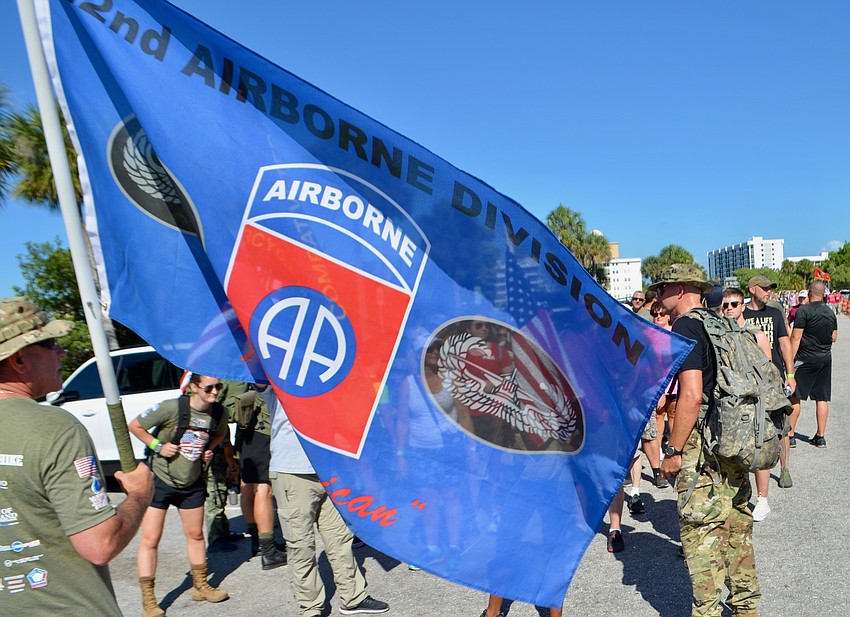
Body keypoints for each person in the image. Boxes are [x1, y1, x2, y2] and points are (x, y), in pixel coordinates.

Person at [0, 297, 154, 615]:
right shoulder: (53, 427)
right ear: (18, 360)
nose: (62, 352)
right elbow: (99, 545)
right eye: (51, 343)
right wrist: (139, 495)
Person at [653, 265, 760, 617]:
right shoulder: (723, 323)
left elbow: (692, 395)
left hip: (702, 445)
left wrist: (673, 450)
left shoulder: (685, 327)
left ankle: (708, 611)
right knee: (737, 524)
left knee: (700, 531)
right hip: (735, 438)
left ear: (681, 289)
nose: (658, 296)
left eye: (663, 289)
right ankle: (746, 607)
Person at [260, 386, 390, 616]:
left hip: (330, 468)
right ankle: (311, 608)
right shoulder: (276, 369)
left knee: (340, 539)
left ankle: (353, 597)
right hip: (293, 470)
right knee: (300, 544)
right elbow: (257, 373)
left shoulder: (325, 373)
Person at [128, 374, 230, 617]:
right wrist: (157, 446)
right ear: (193, 388)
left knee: (195, 535)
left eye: (218, 386)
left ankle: (200, 585)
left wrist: (209, 450)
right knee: (151, 539)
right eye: (209, 387)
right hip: (160, 480)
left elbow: (219, 435)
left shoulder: (219, 413)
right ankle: (149, 601)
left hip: (192, 481)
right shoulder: (172, 407)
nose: (215, 392)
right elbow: (135, 425)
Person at [721, 288, 776, 522]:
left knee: (760, 450)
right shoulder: (720, 335)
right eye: (725, 305)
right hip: (731, 404)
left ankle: (763, 500)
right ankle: (738, 498)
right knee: (733, 452)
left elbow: (769, 370)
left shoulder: (756, 334)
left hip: (756, 403)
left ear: (743, 306)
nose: (729, 308)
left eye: (734, 304)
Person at [219, 380, 287, 569]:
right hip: (263, 430)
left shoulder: (234, 366)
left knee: (247, 485)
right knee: (263, 489)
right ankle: (269, 551)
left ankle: (257, 543)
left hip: (247, 431)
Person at [744, 275, 795, 495]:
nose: (769, 292)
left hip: (774, 378)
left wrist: (790, 374)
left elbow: (785, 344)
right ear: (752, 289)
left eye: (770, 289)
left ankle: (784, 468)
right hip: (749, 381)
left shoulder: (775, 313)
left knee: (781, 426)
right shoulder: (741, 314)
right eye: (765, 288)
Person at [789, 282, 838, 448]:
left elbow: (795, 337)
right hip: (825, 358)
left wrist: (790, 359)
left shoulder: (804, 311)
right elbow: (834, 337)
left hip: (805, 359)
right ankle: (820, 436)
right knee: (822, 397)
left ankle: (790, 435)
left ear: (810, 293)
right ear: (823, 294)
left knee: (795, 396)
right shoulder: (830, 312)